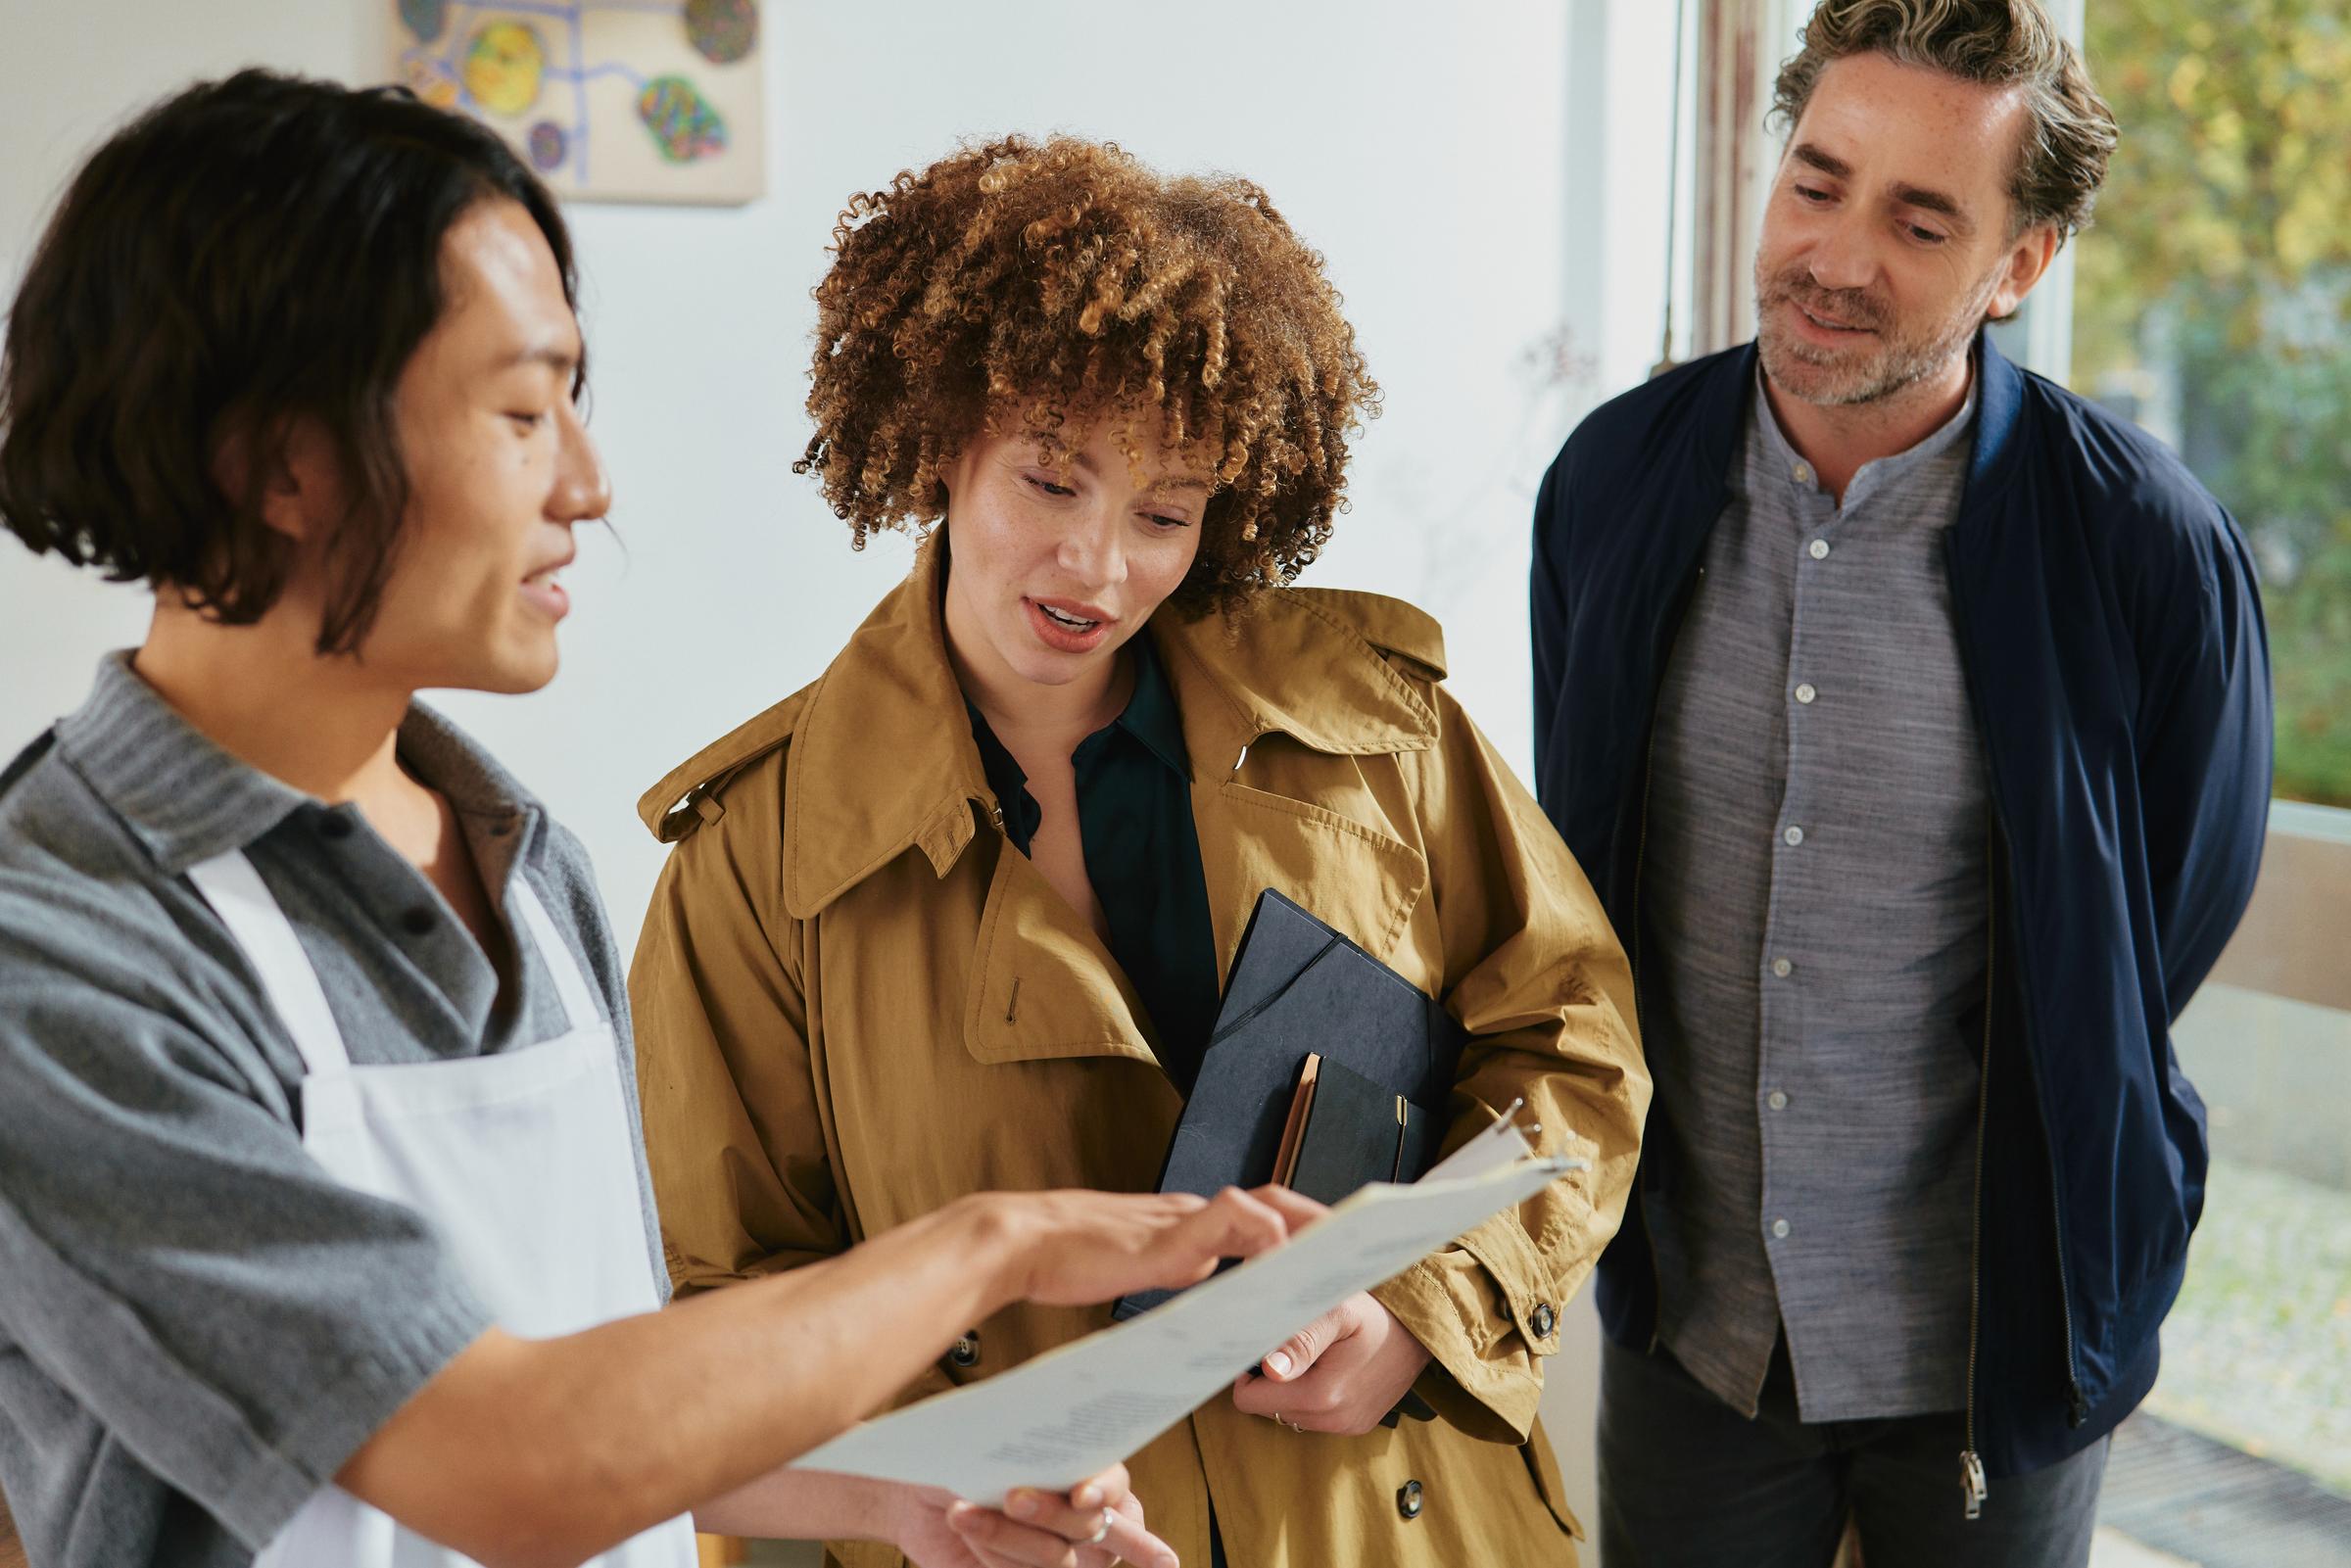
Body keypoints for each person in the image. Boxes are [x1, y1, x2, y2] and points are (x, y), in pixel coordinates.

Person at [0, 71, 1319, 1568]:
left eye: (576, 394)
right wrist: (991, 1243)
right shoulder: (60, 951)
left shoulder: (525, 858)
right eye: (518, 409)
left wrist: (910, 1497)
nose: (588, 480)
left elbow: (625, 1376)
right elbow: (511, 1457)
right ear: (278, 461)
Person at [628, 136, 1650, 1568]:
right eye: (1051, 484)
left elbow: (1575, 1045)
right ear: (940, 440)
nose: (1098, 567)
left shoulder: (1378, 731)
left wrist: (1429, 1307)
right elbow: (729, 1324)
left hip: (1401, 1529)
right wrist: (945, 1494)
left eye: (1164, 512)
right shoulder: (759, 857)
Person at [1527, 2, 2273, 1564]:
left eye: (1920, 219)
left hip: (1996, 1357)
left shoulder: (2145, 548)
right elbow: (1579, 873)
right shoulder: (1609, 483)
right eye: (1818, 182)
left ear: (2022, 264)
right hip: (1696, 1333)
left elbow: (2160, 930)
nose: (1838, 255)